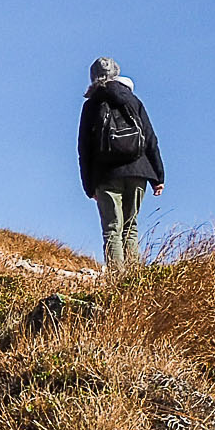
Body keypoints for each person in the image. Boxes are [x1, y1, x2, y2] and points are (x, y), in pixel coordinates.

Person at [78, 57, 164, 272]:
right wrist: (158, 177)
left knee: (112, 228)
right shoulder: (133, 100)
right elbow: (150, 137)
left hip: (105, 174)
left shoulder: (91, 105)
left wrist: (89, 186)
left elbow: (84, 149)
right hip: (139, 170)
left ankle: (117, 278)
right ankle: (134, 278)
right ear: (116, 73)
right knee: (130, 227)